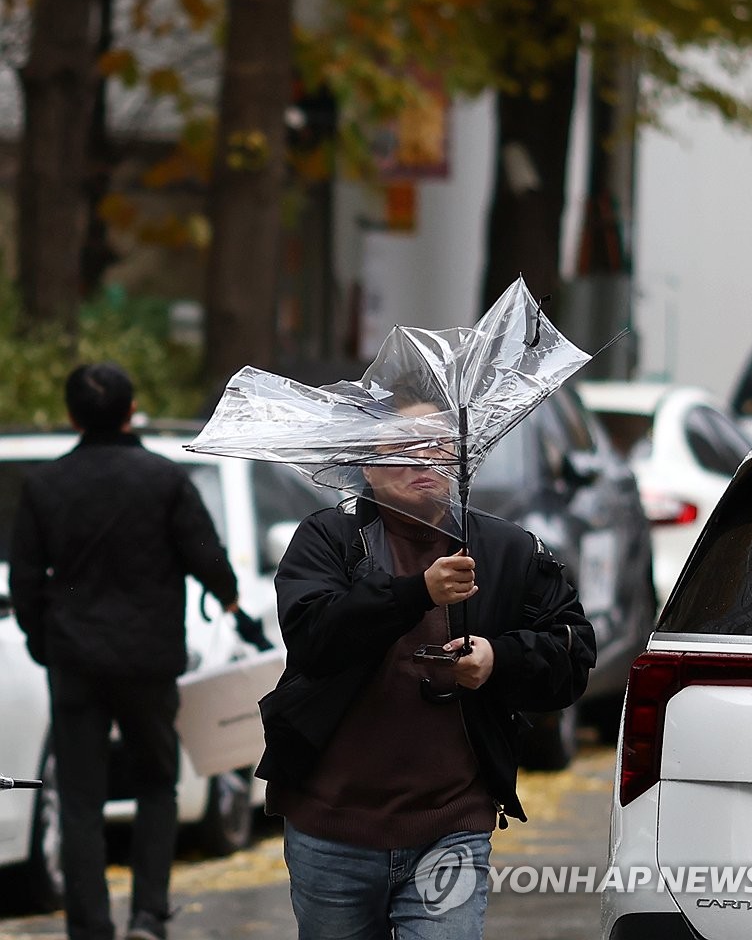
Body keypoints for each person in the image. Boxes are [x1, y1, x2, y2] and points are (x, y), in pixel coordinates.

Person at [257, 388, 596, 939]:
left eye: (438, 447)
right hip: (332, 829)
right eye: (402, 449)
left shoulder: (505, 548)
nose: (423, 461)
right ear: (366, 467)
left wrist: (498, 661)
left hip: (451, 827)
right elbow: (314, 638)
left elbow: (573, 650)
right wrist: (417, 592)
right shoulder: (330, 539)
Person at [9, 363, 240, 940]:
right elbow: (206, 557)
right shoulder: (164, 480)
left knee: (81, 798)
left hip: (74, 661)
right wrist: (229, 596)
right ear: (132, 409)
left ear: (69, 415)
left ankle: (90, 927)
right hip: (149, 659)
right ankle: (147, 916)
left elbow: (25, 580)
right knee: (156, 785)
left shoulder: (44, 486)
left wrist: (45, 644)